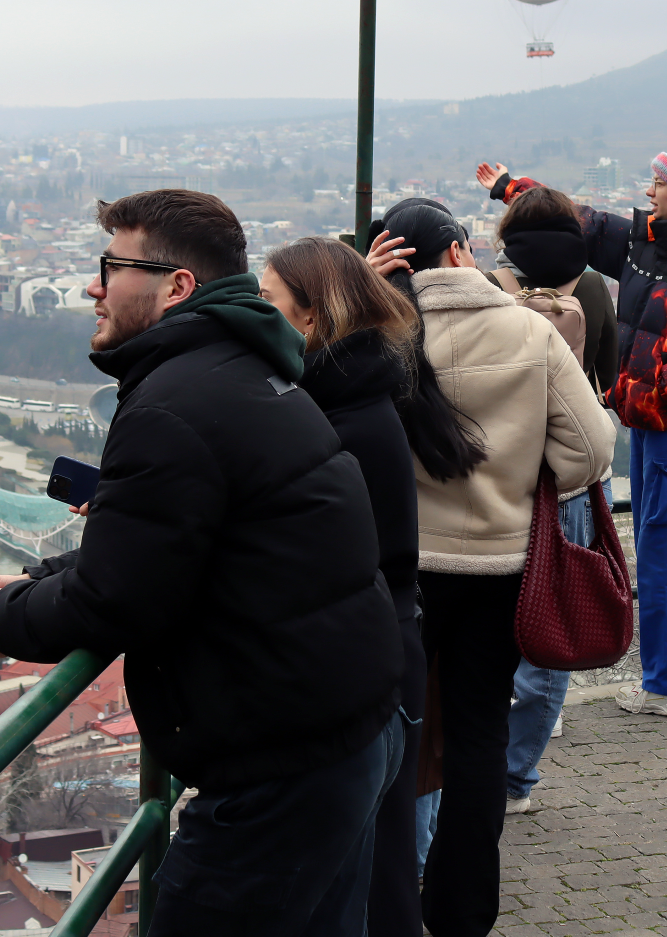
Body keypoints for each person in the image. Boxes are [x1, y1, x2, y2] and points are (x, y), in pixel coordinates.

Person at [0, 190, 404, 936]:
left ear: (176, 285)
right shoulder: (239, 370)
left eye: (111, 267)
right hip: (339, 731)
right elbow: (165, 548)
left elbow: (117, 601)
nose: (91, 286)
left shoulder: (173, 402)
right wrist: (35, 581)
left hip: (279, 769)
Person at [368, 196, 613, 937]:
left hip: (403, 570)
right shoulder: (527, 329)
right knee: (479, 736)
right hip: (503, 567)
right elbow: (592, 451)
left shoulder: (376, 337)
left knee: (396, 735)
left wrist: (360, 288)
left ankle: (390, 905)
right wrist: (524, 476)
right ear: (461, 251)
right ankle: (463, 912)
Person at [474, 151, 667, 718]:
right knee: (666, 546)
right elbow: (575, 220)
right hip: (647, 419)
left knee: (664, 548)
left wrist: (658, 386)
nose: (649, 190)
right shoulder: (645, 240)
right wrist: (511, 188)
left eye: (658, 182)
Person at [258, 236, 425, 937]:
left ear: (313, 321)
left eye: (266, 302)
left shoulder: (333, 422)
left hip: (360, 671)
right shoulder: (357, 395)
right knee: (375, 870)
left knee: (361, 881)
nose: (252, 315)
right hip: (385, 653)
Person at [478, 183, 619, 813]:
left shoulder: (487, 287)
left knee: (489, 620)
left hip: (500, 467)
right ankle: (517, 777)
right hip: (570, 468)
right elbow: (607, 378)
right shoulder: (591, 287)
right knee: (553, 616)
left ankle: (478, 761)